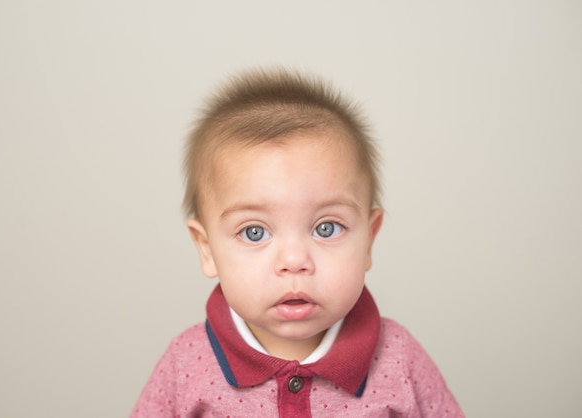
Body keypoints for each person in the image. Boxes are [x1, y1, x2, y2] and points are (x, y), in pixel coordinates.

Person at [131, 68, 464, 417]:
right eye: (254, 232)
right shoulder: (187, 363)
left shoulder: (398, 356)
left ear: (369, 240)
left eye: (326, 228)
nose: (294, 260)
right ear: (206, 248)